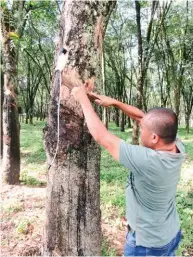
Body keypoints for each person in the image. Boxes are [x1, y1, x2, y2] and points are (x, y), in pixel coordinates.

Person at [71, 85, 185, 256]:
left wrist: (82, 99)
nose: (140, 130)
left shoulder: (149, 161)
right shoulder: (176, 145)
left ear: (154, 138)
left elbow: (102, 136)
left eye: (143, 130)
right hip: (169, 233)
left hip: (147, 243)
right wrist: (115, 103)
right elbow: (142, 117)